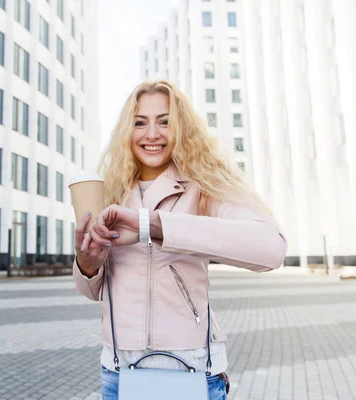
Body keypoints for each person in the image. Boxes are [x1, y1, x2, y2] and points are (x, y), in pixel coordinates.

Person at [72, 80, 287, 400]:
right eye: (140, 122)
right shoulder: (111, 193)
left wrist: (152, 225)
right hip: (119, 372)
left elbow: (271, 248)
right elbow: (93, 291)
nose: (152, 134)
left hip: (190, 368)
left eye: (165, 121)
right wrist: (88, 263)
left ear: (182, 129)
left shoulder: (204, 186)